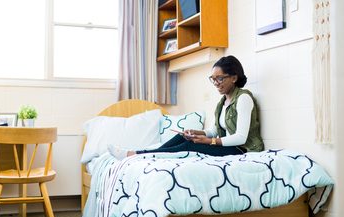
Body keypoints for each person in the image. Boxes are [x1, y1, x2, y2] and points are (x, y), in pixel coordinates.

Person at [109, 55, 264, 160]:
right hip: (228, 147)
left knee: (190, 145)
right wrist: (196, 132)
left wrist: (208, 141)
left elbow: (240, 138)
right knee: (184, 137)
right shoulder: (222, 103)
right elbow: (214, 131)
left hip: (241, 150)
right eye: (213, 79)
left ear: (234, 78)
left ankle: (136, 154)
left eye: (220, 78)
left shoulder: (243, 98)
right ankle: (140, 154)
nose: (216, 83)